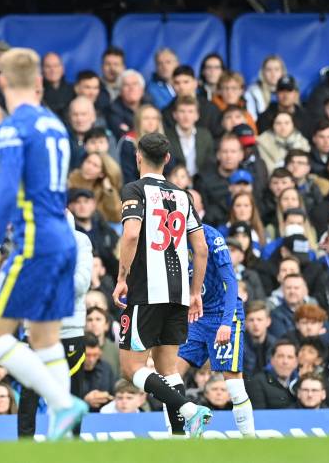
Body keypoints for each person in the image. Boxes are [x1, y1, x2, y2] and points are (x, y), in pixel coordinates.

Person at [0, 47, 87, 441]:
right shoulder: (55, 124)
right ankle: (64, 432)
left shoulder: (12, 128)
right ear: (39, 82)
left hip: (34, 241)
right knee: (45, 339)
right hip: (65, 239)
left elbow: (6, 193)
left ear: (1, 82)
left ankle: (62, 405)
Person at [113, 132, 212, 437]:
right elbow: (202, 248)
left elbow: (131, 235)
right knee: (168, 368)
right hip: (179, 291)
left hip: (146, 290)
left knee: (132, 368)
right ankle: (181, 438)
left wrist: (121, 277)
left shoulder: (135, 189)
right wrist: (195, 292)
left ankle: (188, 408)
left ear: (138, 156)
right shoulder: (183, 196)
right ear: (168, 159)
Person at [175, 225, 255, 438]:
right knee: (171, 377)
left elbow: (230, 281)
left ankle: (251, 441)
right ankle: (176, 434)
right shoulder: (167, 238)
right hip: (196, 315)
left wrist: (226, 323)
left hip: (222, 314)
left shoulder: (211, 237)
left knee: (233, 383)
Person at [18, 211, 93, 437]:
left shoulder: (80, 241)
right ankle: (24, 448)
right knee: (29, 394)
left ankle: (72, 447)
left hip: (69, 327)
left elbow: (82, 283)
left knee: (72, 393)